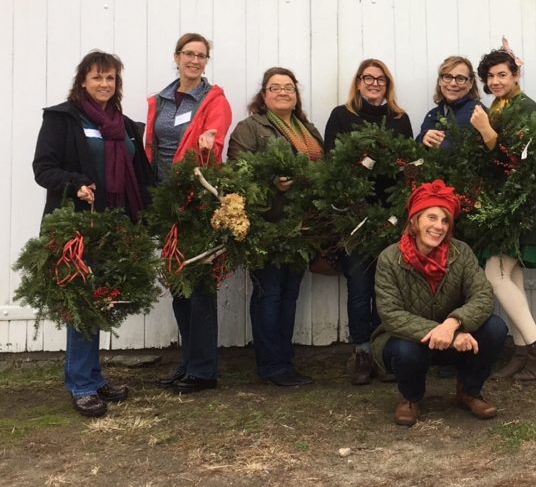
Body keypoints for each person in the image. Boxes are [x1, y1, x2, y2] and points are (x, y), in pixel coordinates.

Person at [32, 51, 154, 416]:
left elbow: (142, 176)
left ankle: (93, 376)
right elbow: (43, 168)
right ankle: (81, 384)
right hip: (77, 226)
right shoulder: (63, 119)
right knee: (83, 304)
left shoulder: (126, 125)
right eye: (97, 77)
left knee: (101, 300)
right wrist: (76, 184)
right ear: (82, 81)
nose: (104, 84)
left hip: (115, 227)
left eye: (111, 78)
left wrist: (153, 214)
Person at [372, 179, 507, 426]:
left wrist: (453, 324)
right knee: (405, 351)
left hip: (454, 337)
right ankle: (410, 398)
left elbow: (483, 295)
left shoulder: (461, 252)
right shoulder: (390, 259)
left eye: (445, 220)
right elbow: (390, 314)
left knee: (496, 328)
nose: (439, 226)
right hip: (411, 341)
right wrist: (444, 333)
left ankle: (469, 391)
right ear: (414, 221)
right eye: (431, 218)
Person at [146, 32, 232, 394]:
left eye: (201, 56)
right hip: (166, 205)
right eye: (189, 54)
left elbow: (217, 127)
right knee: (178, 286)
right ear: (176, 56)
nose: (195, 61)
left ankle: (203, 370)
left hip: (195, 204)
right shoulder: (161, 101)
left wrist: (210, 139)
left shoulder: (214, 99)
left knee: (199, 287)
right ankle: (187, 363)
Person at [228, 68, 324, 386]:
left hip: (301, 226)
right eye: (275, 87)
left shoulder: (307, 128)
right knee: (269, 293)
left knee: (289, 294)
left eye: (289, 88)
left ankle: (285, 361)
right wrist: (273, 184)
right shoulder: (250, 128)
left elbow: (324, 168)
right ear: (264, 95)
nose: (283, 92)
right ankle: (272, 365)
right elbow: (238, 173)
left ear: (296, 95)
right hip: (268, 226)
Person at [469, 48, 536, 381]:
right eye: (490, 76)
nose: (495, 81)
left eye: (502, 74)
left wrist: (486, 131)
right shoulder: (495, 106)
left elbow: (521, 158)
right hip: (498, 202)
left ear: (515, 75)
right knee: (513, 276)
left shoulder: (525, 107)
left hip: (517, 203)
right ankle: (523, 352)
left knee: (496, 275)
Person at [324, 59, 413, 385]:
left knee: (388, 288)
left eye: (380, 79)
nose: (374, 84)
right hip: (356, 217)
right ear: (358, 82)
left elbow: (408, 166)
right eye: (368, 78)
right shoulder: (342, 117)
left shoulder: (400, 120)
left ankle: (384, 352)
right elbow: (333, 164)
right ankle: (361, 353)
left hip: (390, 216)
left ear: (387, 85)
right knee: (360, 287)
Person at [417, 55, 485, 149]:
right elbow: (415, 152)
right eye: (447, 77)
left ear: (470, 83)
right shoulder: (432, 115)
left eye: (460, 78)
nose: (453, 83)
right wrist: (423, 138)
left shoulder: (478, 114)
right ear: (440, 81)